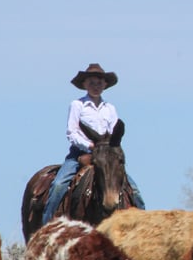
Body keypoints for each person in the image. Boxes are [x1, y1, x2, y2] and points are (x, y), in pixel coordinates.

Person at [41, 63, 146, 225]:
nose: (95, 86)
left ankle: (142, 228)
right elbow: (72, 132)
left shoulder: (110, 108)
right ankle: (46, 225)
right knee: (58, 185)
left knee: (135, 191)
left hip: (106, 157)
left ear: (105, 85)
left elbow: (113, 133)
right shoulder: (77, 105)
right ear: (84, 85)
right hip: (79, 153)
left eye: (99, 83)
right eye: (91, 83)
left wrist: (108, 148)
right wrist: (89, 146)